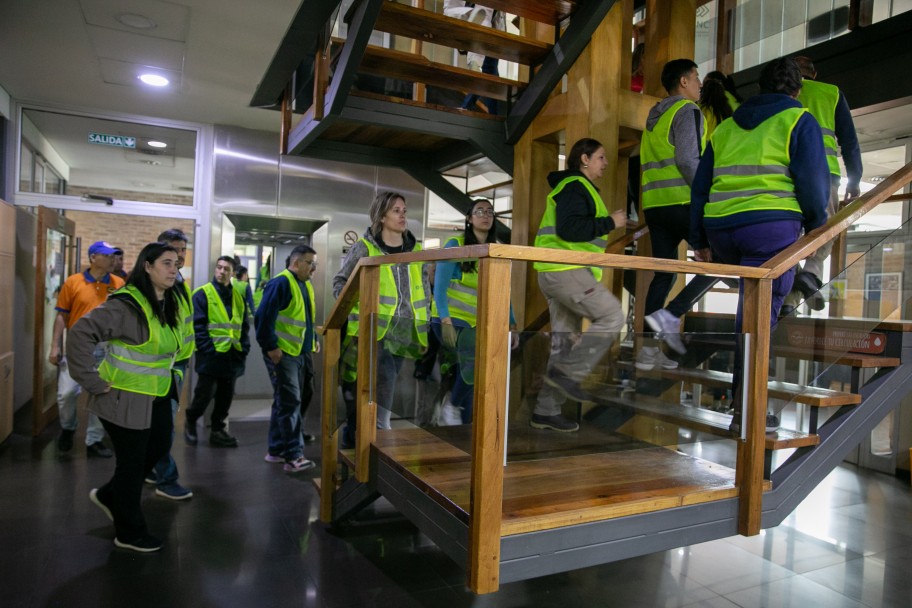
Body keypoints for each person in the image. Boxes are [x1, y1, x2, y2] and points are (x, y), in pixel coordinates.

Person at [690, 57, 830, 433]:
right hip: (769, 229)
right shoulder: (798, 119)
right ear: (797, 90)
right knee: (759, 317)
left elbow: (700, 188)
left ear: (761, 88)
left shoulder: (725, 128)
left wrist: (699, 239)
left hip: (722, 229)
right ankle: (748, 409)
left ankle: (743, 401)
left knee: (749, 310)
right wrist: (817, 228)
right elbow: (813, 184)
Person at [69, 242, 185, 552]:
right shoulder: (126, 304)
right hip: (123, 397)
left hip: (156, 395)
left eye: (177, 263)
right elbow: (80, 332)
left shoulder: (167, 301)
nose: (174, 268)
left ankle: (110, 495)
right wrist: (90, 380)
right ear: (147, 266)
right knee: (132, 466)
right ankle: (129, 531)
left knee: (159, 446)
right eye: (167, 263)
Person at [532, 138, 627, 432]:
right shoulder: (576, 186)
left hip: (555, 272)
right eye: (601, 157)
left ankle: (545, 411)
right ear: (584, 159)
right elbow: (570, 229)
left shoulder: (575, 188)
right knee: (612, 316)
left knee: (564, 341)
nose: (605, 163)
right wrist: (610, 222)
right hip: (565, 270)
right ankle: (569, 374)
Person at [333, 191, 431, 445]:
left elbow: (424, 290)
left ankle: (362, 441)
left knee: (383, 388)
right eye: (396, 210)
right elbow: (340, 284)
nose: (402, 215)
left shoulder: (416, 249)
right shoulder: (364, 248)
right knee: (379, 388)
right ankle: (374, 440)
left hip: (405, 333)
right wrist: (358, 306)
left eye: (404, 210)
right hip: (372, 330)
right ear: (381, 215)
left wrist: (425, 324)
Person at [638, 58, 719, 366]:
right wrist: (707, 193)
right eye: (696, 77)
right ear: (683, 82)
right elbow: (687, 160)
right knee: (720, 261)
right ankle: (671, 315)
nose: (700, 83)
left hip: (655, 208)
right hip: (683, 203)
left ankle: (647, 353)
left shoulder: (654, 118)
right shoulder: (687, 111)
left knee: (664, 275)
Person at [780, 55, 863, 316]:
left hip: (787, 174)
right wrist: (855, 178)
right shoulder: (831, 93)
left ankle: (787, 303)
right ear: (814, 75)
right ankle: (812, 272)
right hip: (825, 174)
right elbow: (849, 141)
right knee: (827, 227)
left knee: (791, 238)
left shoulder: (783, 96)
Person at [431, 198, 518, 424]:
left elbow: (503, 291)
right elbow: (439, 289)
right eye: (479, 211)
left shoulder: (495, 249)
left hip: (476, 324)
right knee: (476, 359)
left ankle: (461, 428)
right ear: (469, 219)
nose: (485, 215)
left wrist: (512, 324)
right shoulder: (455, 245)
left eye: (490, 211)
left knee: (475, 374)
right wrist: (446, 321)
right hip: (449, 319)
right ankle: (452, 405)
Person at [48, 240, 122, 458]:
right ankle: (68, 427)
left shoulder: (118, 284)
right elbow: (62, 315)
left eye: (114, 256)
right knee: (67, 393)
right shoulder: (73, 282)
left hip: (106, 348)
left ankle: (94, 439)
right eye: (108, 256)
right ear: (93, 258)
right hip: (77, 346)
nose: (112, 260)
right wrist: (54, 345)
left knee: (102, 393)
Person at [255, 245, 319, 473]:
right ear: (296, 263)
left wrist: (313, 340)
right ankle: (293, 455)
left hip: (301, 352)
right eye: (311, 263)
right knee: (290, 401)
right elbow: (262, 318)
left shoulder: (305, 285)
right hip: (284, 354)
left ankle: (276, 449)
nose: (314, 269)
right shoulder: (280, 283)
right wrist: (271, 347)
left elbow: (306, 319)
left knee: (295, 398)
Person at [145, 228, 194, 500]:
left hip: (178, 361)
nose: (180, 256)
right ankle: (166, 478)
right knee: (163, 426)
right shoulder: (157, 283)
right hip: (162, 364)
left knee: (159, 423)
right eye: (174, 251)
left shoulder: (178, 280)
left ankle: (152, 468)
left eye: (183, 251)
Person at [184, 256, 250, 448]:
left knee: (225, 396)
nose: (221, 272)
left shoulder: (238, 295)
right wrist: (208, 350)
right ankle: (191, 420)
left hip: (233, 354)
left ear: (232, 273)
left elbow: (243, 325)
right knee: (204, 394)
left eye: (226, 269)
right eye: (219, 268)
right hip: (211, 355)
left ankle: (218, 430)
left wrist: (244, 348)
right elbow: (198, 326)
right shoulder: (202, 294)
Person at [443, 1, 505, 114]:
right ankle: (491, 113)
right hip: (489, 25)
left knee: (490, 72)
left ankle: (470, 107)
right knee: (491, 72)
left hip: (490, 25)